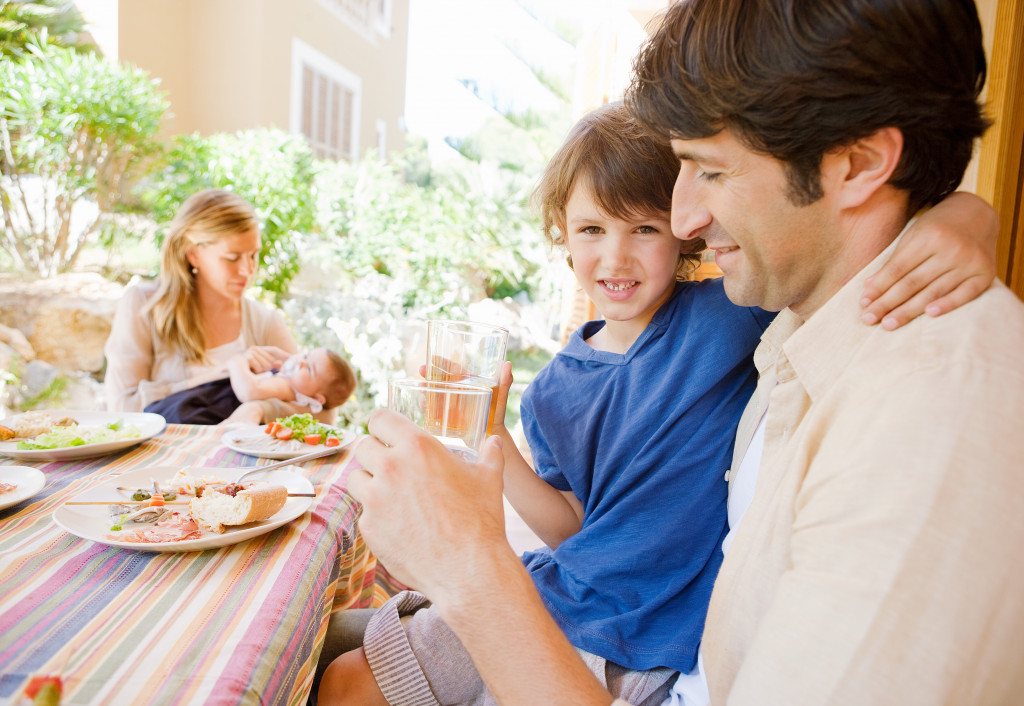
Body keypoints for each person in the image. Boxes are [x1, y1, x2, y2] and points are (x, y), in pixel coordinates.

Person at [333, 0, 1024, 704]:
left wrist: (468, 566)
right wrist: (969, 212)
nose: (685, 221)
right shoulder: (798, 331)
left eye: (710, 171)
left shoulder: (929, 411)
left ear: (860, 163)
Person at [104, 189, 307, 424]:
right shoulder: (143, 306)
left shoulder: (265, 323)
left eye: (253, 255)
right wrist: (226, 373)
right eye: (232, 258)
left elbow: (322, 407)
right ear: (193, 255)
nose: (247, 270)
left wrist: (260, 409)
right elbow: (121, 409)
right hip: (164, 459)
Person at [220, 346, 357, 425]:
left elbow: (249, 392)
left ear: (317, 398)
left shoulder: (285, 387)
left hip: (221, 400)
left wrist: (237, 362)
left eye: (309, 369)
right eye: (305, 356)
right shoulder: (289, 379)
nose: (301, 363)